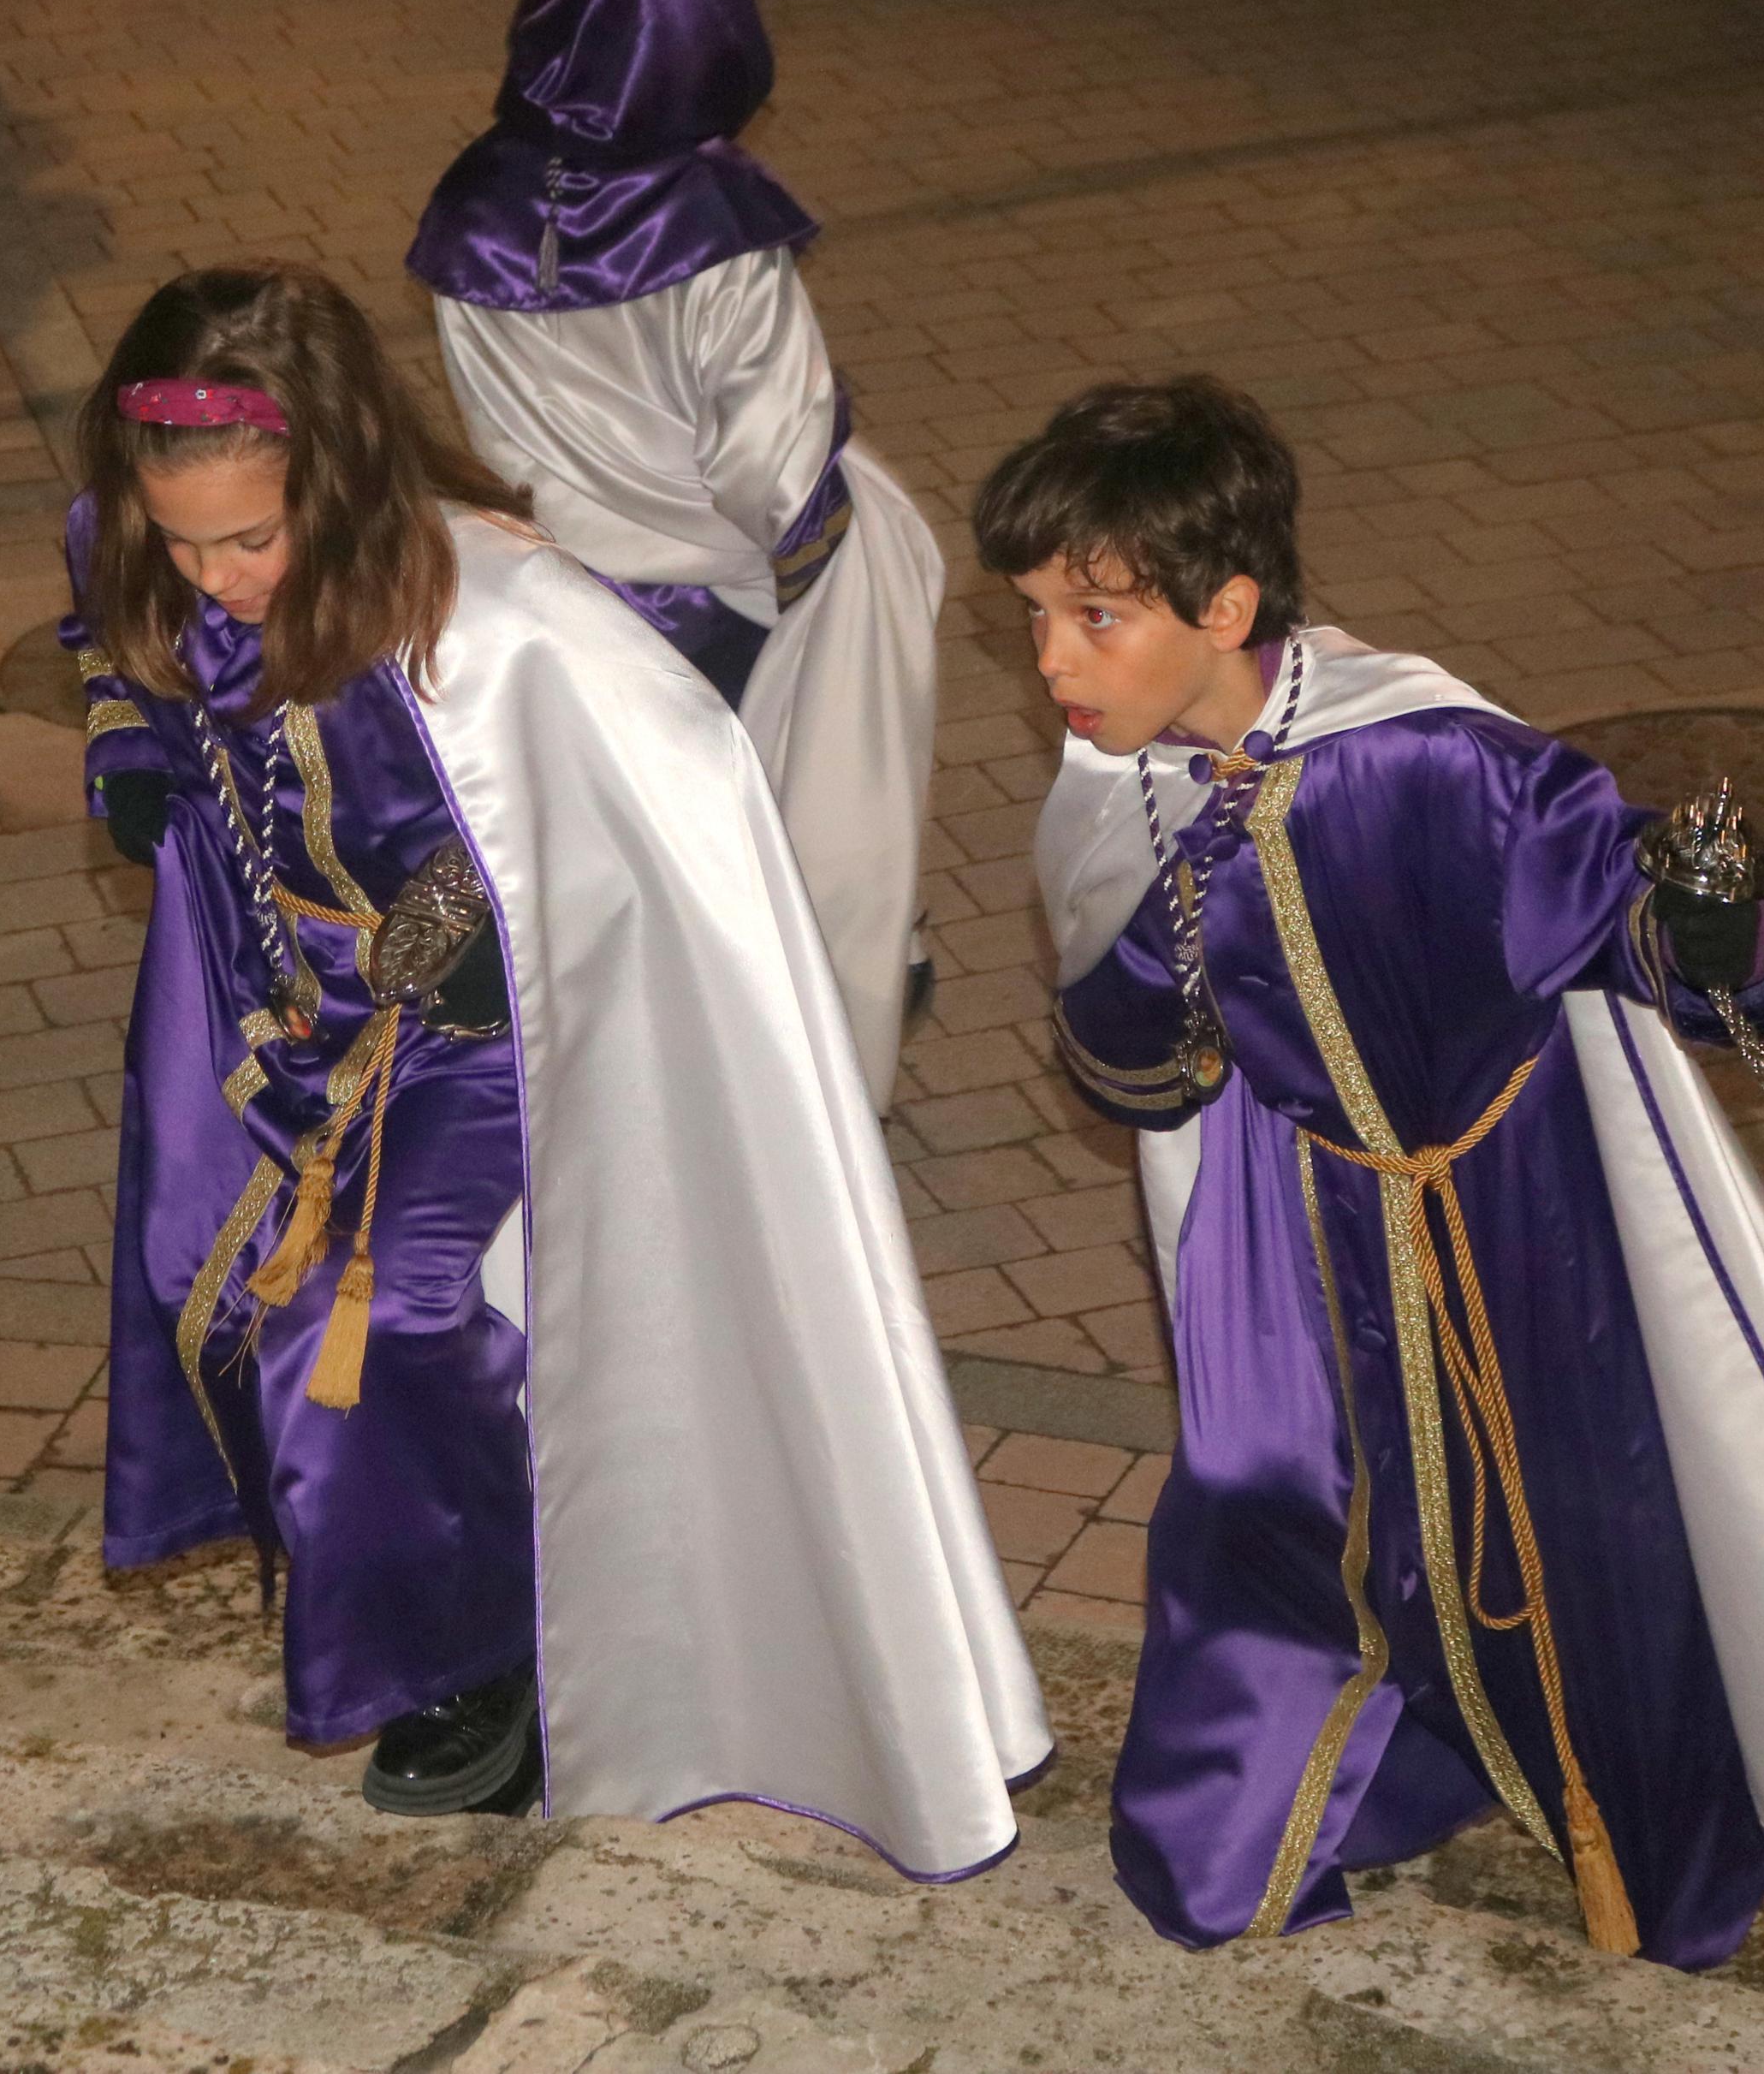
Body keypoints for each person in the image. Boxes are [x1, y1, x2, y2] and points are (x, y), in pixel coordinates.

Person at [996, 377, 1764, 1967]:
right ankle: (1278, 1811)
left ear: (1225, 605)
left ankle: (1653, 1858)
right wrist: (1178, 918)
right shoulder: (1118, 799)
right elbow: (1134, 1072)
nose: (1050, 664)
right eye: (1030, 617)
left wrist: (1707, 915)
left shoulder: (1431, 760)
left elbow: (1664, 944)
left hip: (1511, 1211)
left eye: (1094, 617)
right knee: (1262, 1501)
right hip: (1284, 1229)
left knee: (1580, 1531)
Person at [67, 264, 1047, 1869]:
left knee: (379, 1322)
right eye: (179, 543)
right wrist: (129, 744)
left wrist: (494, 927)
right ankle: (425, 1604)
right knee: (228, 1294)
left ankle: (487, 1664)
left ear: (343, 478)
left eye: (250, 541)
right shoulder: (178, 568)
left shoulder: (504, 621)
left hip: (484, 1062)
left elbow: (670, 826)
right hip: (287, 1044)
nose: (217, 578)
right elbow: (115, 644)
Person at [411, 0, 942, 1108]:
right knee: (797, 839)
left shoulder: (470, 205)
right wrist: (827, 609)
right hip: (720, 600)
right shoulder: (712, 231)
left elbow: (492, 430)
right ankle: (780, 1089)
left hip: (550, 581)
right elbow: (778, 468)